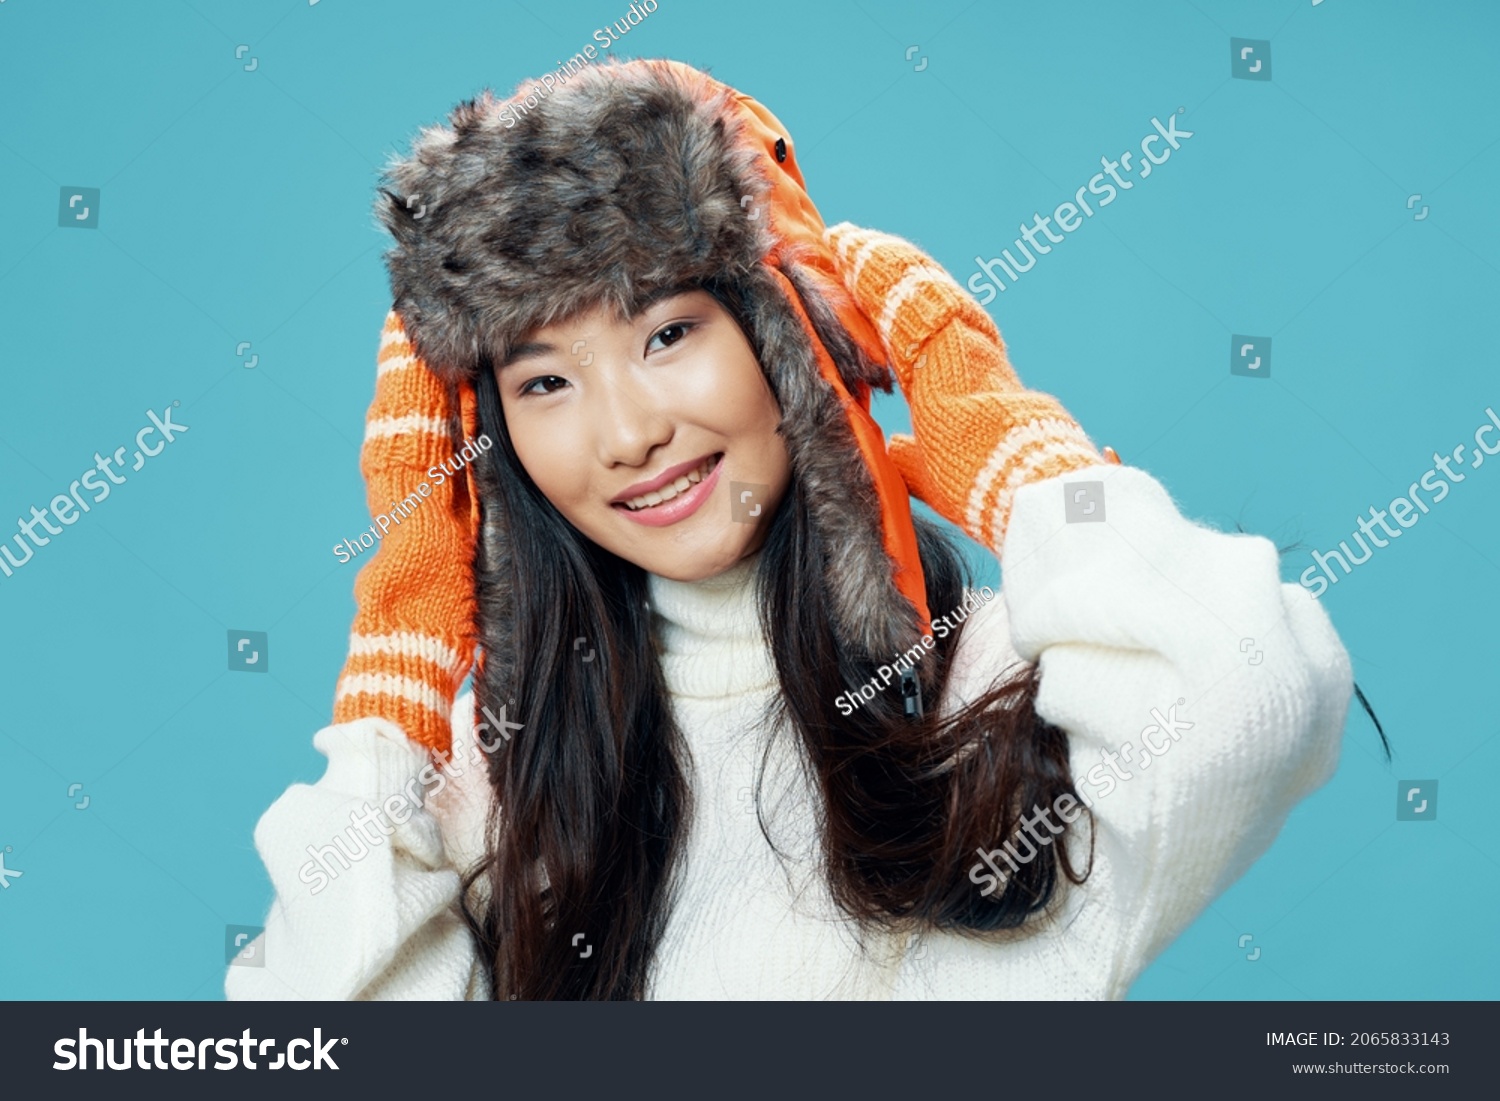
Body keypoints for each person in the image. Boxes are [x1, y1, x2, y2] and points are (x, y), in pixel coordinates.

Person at [226, 58, 1354, 1001]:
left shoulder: (994, 692)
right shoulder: (500, 788)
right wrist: (399, 668)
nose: (628, 434)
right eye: (545, 382)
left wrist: (1017, 456)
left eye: (667, 334)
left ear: (786, 336)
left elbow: (1251, 697)